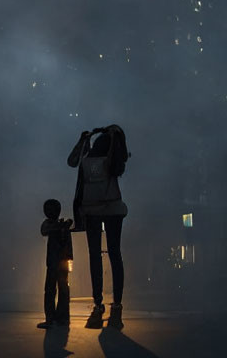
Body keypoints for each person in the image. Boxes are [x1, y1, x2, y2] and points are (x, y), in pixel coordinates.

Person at [68, 124, 128, 330]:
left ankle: (98, 304)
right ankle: (116, 304)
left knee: (95, 256)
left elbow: (71, 162)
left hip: (92, 211)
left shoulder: (88, 160)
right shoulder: (112, 160)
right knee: (114, 254)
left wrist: (83, 140)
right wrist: (113, 134)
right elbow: (119, 164)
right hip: (111, 209)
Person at [37, 198, 73, 329]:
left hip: (58, 262)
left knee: (58, 290)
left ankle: (57, 318)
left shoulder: (60, 226)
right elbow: (44, 230)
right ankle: (54, 318)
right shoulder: (54, 225)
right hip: (55, 263)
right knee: (55, 290)